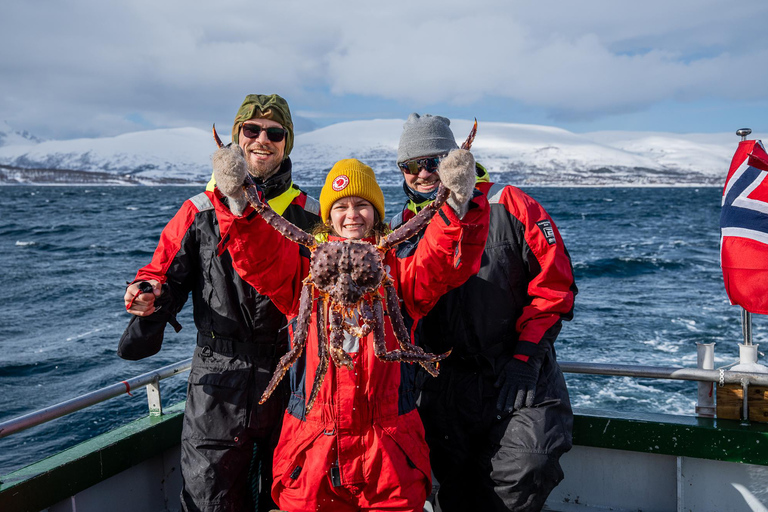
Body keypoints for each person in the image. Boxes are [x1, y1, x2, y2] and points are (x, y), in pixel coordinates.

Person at [211, 153, 489, 512]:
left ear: (376, 213)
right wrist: (237, 199)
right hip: (312, 453)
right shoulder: (304, 272)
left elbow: (442, 260)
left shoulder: (396, 272)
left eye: (362, 205)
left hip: (390, 453)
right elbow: (259, 253)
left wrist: (457, 202)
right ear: (328, 216)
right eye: (341, 206)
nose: (352, 214)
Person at [119, 94, 321, 512]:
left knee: (292, 498)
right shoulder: (198, 210)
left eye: (275, 133)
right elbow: (163, 273)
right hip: (216, 382)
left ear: (286, 143)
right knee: (208, 499)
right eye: (252, 129)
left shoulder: (311, 215)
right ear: (236, 136)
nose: (262, 139)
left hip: (291, 377)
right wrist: (149, 293)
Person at [390, 113, 577, 512]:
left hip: (517, 372)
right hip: (443, 383)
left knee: (526, 468)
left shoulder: (509, 204)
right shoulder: (401, 228)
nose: (422, 173)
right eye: (410, 165)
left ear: (454, 158)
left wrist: (526, 358)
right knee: (453, 487)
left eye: (433, 161)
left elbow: (554, 286)